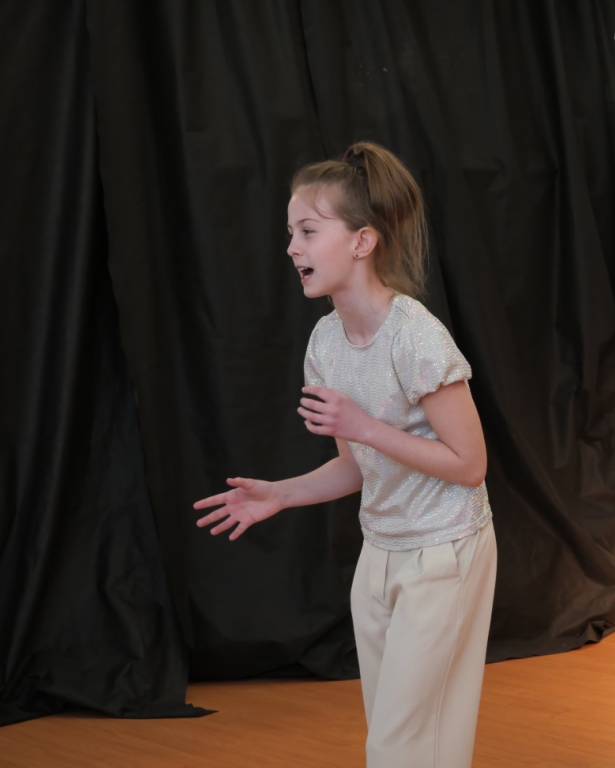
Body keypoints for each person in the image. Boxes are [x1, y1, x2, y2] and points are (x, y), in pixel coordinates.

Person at [193, 141, 497, 768]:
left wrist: (365, 426)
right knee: (402, 739)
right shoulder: (325, 342)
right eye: (290, 232)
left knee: (400, 746)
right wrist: (280, 494)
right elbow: (357, 466)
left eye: (307, 230)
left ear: (362, 242)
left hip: (445, 550)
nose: (291, 247)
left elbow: (470, 465)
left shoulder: (416, 336)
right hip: (379, 552)